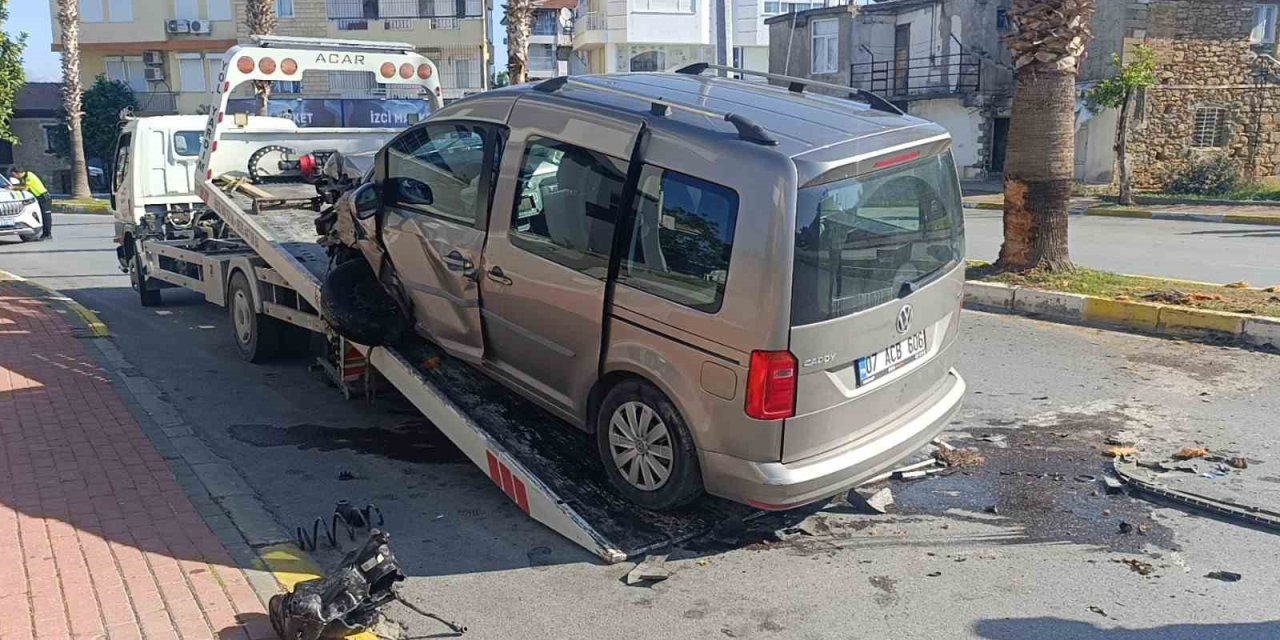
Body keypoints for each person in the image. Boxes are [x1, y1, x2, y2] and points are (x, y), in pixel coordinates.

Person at [11, 167, 51, 240]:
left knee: (46, 216)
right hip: (38, 197)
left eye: (14, 175)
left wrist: (13, 188)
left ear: (18, 173)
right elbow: (22, 185)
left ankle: (47, 234)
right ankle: (44, 234)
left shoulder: (29, 176)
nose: (15, 177)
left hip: (44, 197)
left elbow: (25, 188)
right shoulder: (24, 178)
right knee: (41, 216)